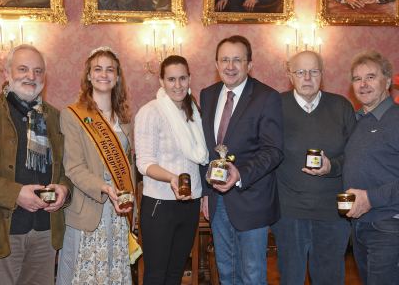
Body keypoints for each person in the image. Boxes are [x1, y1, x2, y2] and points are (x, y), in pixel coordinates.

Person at [0, 44, 70, 284]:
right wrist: (15, 193)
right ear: (7, 73)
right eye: (23, 69)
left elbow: (68, 170)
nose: (31, 77)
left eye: (38, 71)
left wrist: (63, 189)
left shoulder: (55, 117)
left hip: (45, 231)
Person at [200, 35, 284, 285]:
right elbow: (205, 149)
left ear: (250, 64)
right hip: (217, 201)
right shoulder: (207, 95)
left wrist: (241, 174)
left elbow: (274, 150)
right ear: (216, 64)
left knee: (252, 274)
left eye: (237, 59)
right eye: (225, 59)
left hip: (252, 199)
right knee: (226, 272)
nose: (230, 66)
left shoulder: (267, 97)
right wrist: (205, 192)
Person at [271, 51, 356, 285]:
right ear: (290, 75)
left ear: (322, 74)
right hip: (289, 213)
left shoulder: (341, 106)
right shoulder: (275, 105)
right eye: (300, 72)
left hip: (332, 213)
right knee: (290, 278)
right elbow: (265, 153)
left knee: (329, 278)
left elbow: (356, 155)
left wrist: (333, 166)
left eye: (314, 71)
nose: (307, 77)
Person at [56, 47, 135, 284]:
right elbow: (74, 167)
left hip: (118, 213)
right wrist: (104, 187)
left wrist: (132, 207)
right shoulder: (72, 115)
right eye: (97, 69)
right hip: (89, 208)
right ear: (88, 76)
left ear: (118, 76)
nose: (104, 74)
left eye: (110, 69)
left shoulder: (124, 120)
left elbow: (129, 167)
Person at [135, 55, 208, 284]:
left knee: (176, 273)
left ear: (189, 79)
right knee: (156, 274)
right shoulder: (150, 112)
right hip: (160, 203)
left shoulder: (193, 111)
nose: (177, 85)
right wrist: (171, 178)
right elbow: (144, 163)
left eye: (182, 78)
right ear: (161, 81)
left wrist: (203, 193)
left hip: (190, 201)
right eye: (171, 79)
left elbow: (200, 159)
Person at [343, 50, 399, 284]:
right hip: (360, 226)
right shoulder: (358, 120)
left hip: (388, 226)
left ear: (387, 81)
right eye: (357, 79)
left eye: (371, 77)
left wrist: (371, 198)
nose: (363, 84)